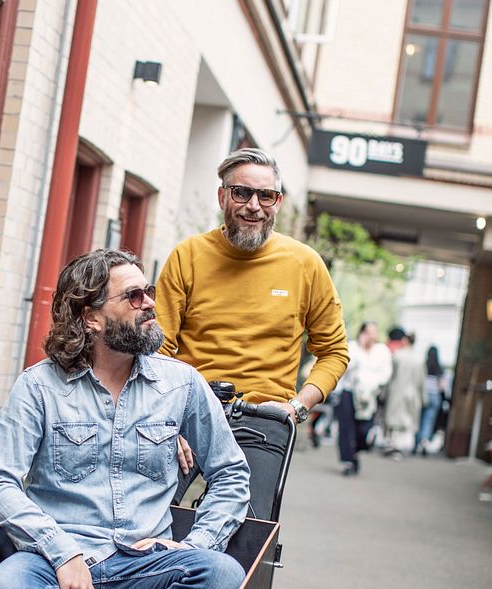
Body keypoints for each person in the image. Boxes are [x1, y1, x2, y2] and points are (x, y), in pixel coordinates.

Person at [0, 248, 249, 589]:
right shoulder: (39, 386)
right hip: (54, 559)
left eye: (148, 291)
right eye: (134, 296)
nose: (150, 304)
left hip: (145, 563)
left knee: (221, 576)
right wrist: (61, 551)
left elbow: (231, 474)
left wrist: (195, 545)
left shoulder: (181, 384)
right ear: (91, 318)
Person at [154, 149, 349, 434]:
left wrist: (297, 407)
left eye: (266, 195)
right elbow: (158, 348)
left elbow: (334, 351)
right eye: (242, 193)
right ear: (222, 197)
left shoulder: (306, 264)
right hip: (190, 414)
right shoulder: (188, 256)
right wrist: (167, 414)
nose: (254, 206)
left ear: (278, 202)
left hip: (266, 422)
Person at [335, 320, 392, 475]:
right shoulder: (352, 348)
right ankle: (348, 461)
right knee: (346, 429)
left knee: (364, 429)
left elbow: (385, 373)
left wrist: (374, 385)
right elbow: (344, 367)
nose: (372, 336)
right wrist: (360, 349)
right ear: (362, 333)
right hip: (349, 392)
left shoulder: (382, 351)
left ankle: (357, 450)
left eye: (374, 332)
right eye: (369, 332)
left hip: (369, 396)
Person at [383, 332, 425, 460]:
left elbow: (391, 375)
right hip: (412, 393)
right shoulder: (420, 359)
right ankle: (399, 448)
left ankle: (393, 446)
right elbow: (421, 380)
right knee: (406, 420)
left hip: (397, 390)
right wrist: (423, 397)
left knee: (393, 419)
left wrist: (385, 391)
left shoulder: (397, 355)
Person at [415, 345, 444, 455]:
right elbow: (442, 386)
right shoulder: (439, 368)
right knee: (428, 420)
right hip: (434, 396)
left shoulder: (423, 366)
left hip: (422, 395)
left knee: (418, 419)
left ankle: (416, 442)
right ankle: (424, 441)